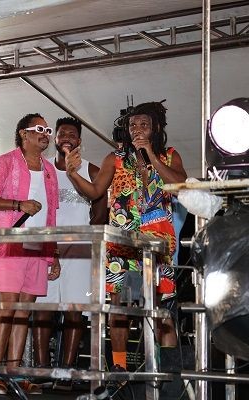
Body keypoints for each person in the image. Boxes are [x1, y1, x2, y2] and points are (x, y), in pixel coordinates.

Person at [64, 102, 187, 373]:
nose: (137, 129)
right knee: (119, 309)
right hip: (122, 245)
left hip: (157, 247)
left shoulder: (169, 156)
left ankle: (168, 374)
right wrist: (72, 175)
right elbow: (95, 191)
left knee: (161, 309)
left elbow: (179, 187)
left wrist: (151, 155)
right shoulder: (115, 158)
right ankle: (119, 371)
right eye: (132, 125)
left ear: (155, 128)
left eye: (143, 125)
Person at [0, 113, 60, 395]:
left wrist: (53, 253)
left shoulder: (50, 170)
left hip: (39, 247)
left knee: (24, 312)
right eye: (39, 129)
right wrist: (18, 204)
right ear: (23, 134)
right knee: (8, 308)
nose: (45, 134)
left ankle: (13, 374)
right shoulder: (4, 162)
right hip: (11, 245)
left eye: (48, 130)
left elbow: (51, 215)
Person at [33, 117, 107, 389]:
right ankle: (42, 370)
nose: (66, 137)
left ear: (79, 141)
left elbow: (101, 211)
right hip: (46, 245)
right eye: (62, 133)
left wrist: (87, 238)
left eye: (72, 134)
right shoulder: (42, 168)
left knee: (75, 310)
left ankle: (66, 372)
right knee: (43, 309)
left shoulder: (92, 169)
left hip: (79, 249)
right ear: (54, 138)